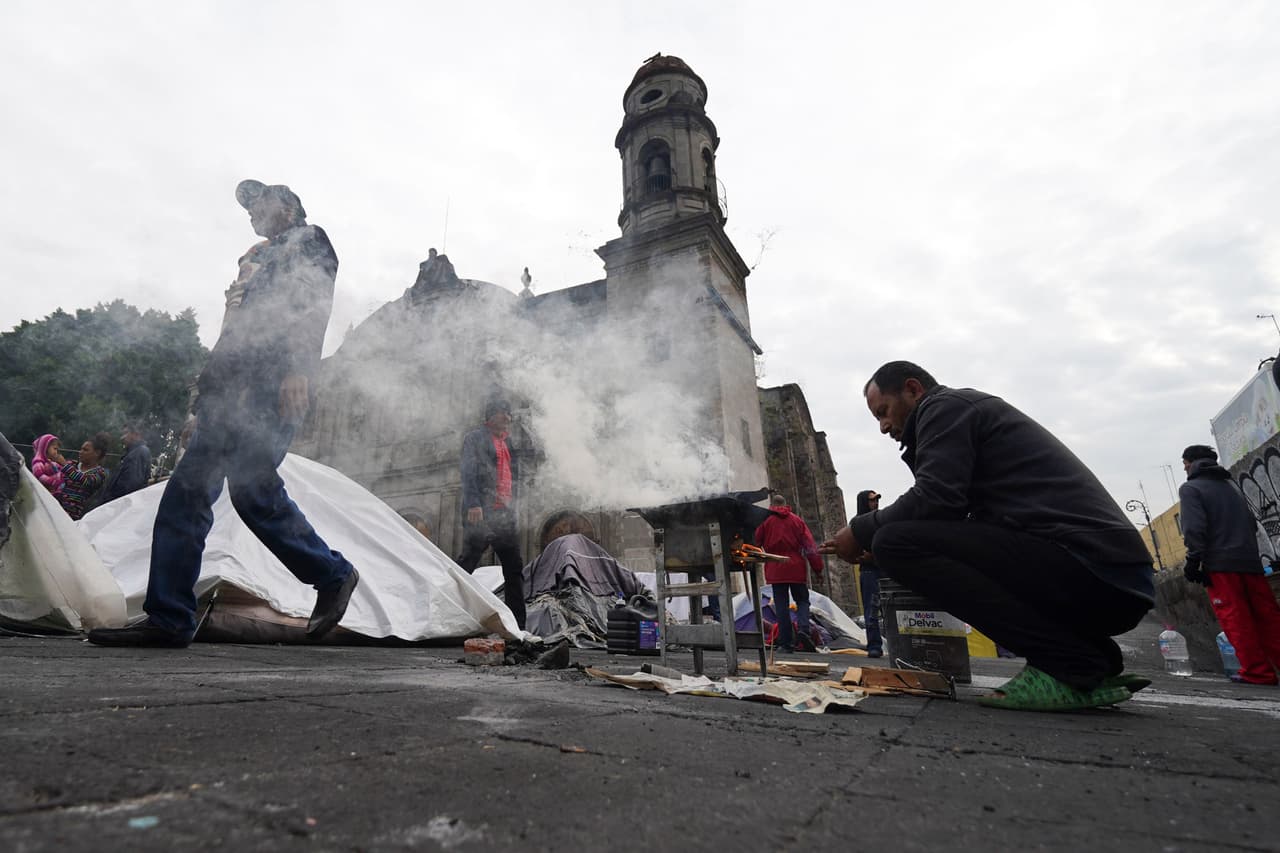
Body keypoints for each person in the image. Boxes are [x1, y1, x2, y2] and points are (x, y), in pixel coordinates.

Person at [89, 179, 359, 648]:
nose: (251, 212)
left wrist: (298, 369)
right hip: (230, 393)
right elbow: (235, 334)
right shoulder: (260, 260)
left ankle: (333, 574)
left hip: (270, 387)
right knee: (186, 495)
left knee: (254, 494)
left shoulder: (309, 239)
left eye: (259, 202)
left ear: (288, 206)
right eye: (247, 207)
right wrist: (203, 401)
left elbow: (312, 300)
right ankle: (170, 617)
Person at [820, 361, 1154, 711]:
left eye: (883, 412)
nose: (884, 426)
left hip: (1095, 566)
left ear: (913, 389)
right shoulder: (957, 413)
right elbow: (951, 520)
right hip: (1110, 573)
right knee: (895, 542)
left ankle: (1068, 664)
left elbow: (935, 497)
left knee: (895, 543)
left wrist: (860, 529)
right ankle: (1091, 657)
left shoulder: (944, 408)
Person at [1179, 444, 1280, 685]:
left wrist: (1194, 560)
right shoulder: (1231, 485)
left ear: (1191, 463)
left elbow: (1194, 528)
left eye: (1184, 464)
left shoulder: (1190, 489)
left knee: (1236, 618)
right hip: (1251, 562)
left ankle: (1258, 672)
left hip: (1221, 565)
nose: (1184, 469)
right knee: (1268, 617)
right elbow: (1251, 523)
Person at [457, 399, 526, 629]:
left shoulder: (509, 443)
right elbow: (468, 472)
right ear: (491, 416)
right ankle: (451, 608)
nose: (508, 418)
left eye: (509, 414)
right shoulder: (475, 438)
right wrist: (473, 503)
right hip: (482, 512)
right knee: (468, 562)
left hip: (504, 515)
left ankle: (518, 627)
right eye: (503, 413)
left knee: (514, 568)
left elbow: (512, 477)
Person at [755, 493, 823, 652]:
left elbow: (755, 542)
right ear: (785, 504)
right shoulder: (797, 521)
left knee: (781, 606)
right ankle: (803, 630)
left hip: (775, 567)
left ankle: (786, 643)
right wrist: (818, 569)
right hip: (796, 567)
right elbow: (810, 546)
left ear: (772, 505)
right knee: (802, 601)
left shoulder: (765, 521)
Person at [854, 489, 884, 657]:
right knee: (871, 609)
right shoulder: (857, 523)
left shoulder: (881, 519)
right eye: (872, 500)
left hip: (884, 569)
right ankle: (874, 645)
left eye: (876, 500)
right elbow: (852, 548)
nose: (876, 503)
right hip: (869, 571)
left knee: (889, 609)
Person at [56, 433, 112, 520]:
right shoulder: (72, 465)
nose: (80, 452)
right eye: (81, 449)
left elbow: (86, 480)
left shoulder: (100, 473)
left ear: (97, 453)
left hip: (78, 519)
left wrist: (65, 465)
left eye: (85, 450)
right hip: (57, 511)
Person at [97, 424, 151, 504]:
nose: (122, 437)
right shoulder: (132, 453)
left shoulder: (138, 453)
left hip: (118, 505)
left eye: (125, 433)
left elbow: (130, 485)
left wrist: (110, 501)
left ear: (135, 434)